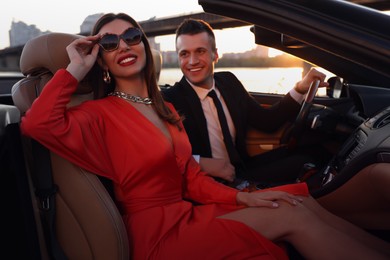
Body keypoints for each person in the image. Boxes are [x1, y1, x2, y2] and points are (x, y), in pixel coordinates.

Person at [20, 13, 390, 259]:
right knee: (295, 217)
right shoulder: (98, 114)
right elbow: (37, 125)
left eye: (131, 36)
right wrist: (73, 68)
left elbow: (190, 178)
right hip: (155, 234)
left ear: (144, 46)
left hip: (186, 213)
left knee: (299, 204)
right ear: (100, 60)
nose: (123, 46)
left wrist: (242, 200)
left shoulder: (164, 108)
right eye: (109, 43)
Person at [162, 18, 331, 187]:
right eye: (185, 54)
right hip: (206, 183)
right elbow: (160, 152)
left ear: (215, 54)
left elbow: (267, 122)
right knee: (304, 167)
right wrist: (201, 163)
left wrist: (301, 88)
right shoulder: (169, 99)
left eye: (200, 51)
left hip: (241, 170)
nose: (192, 61)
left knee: (315, 151)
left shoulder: (229, 82)